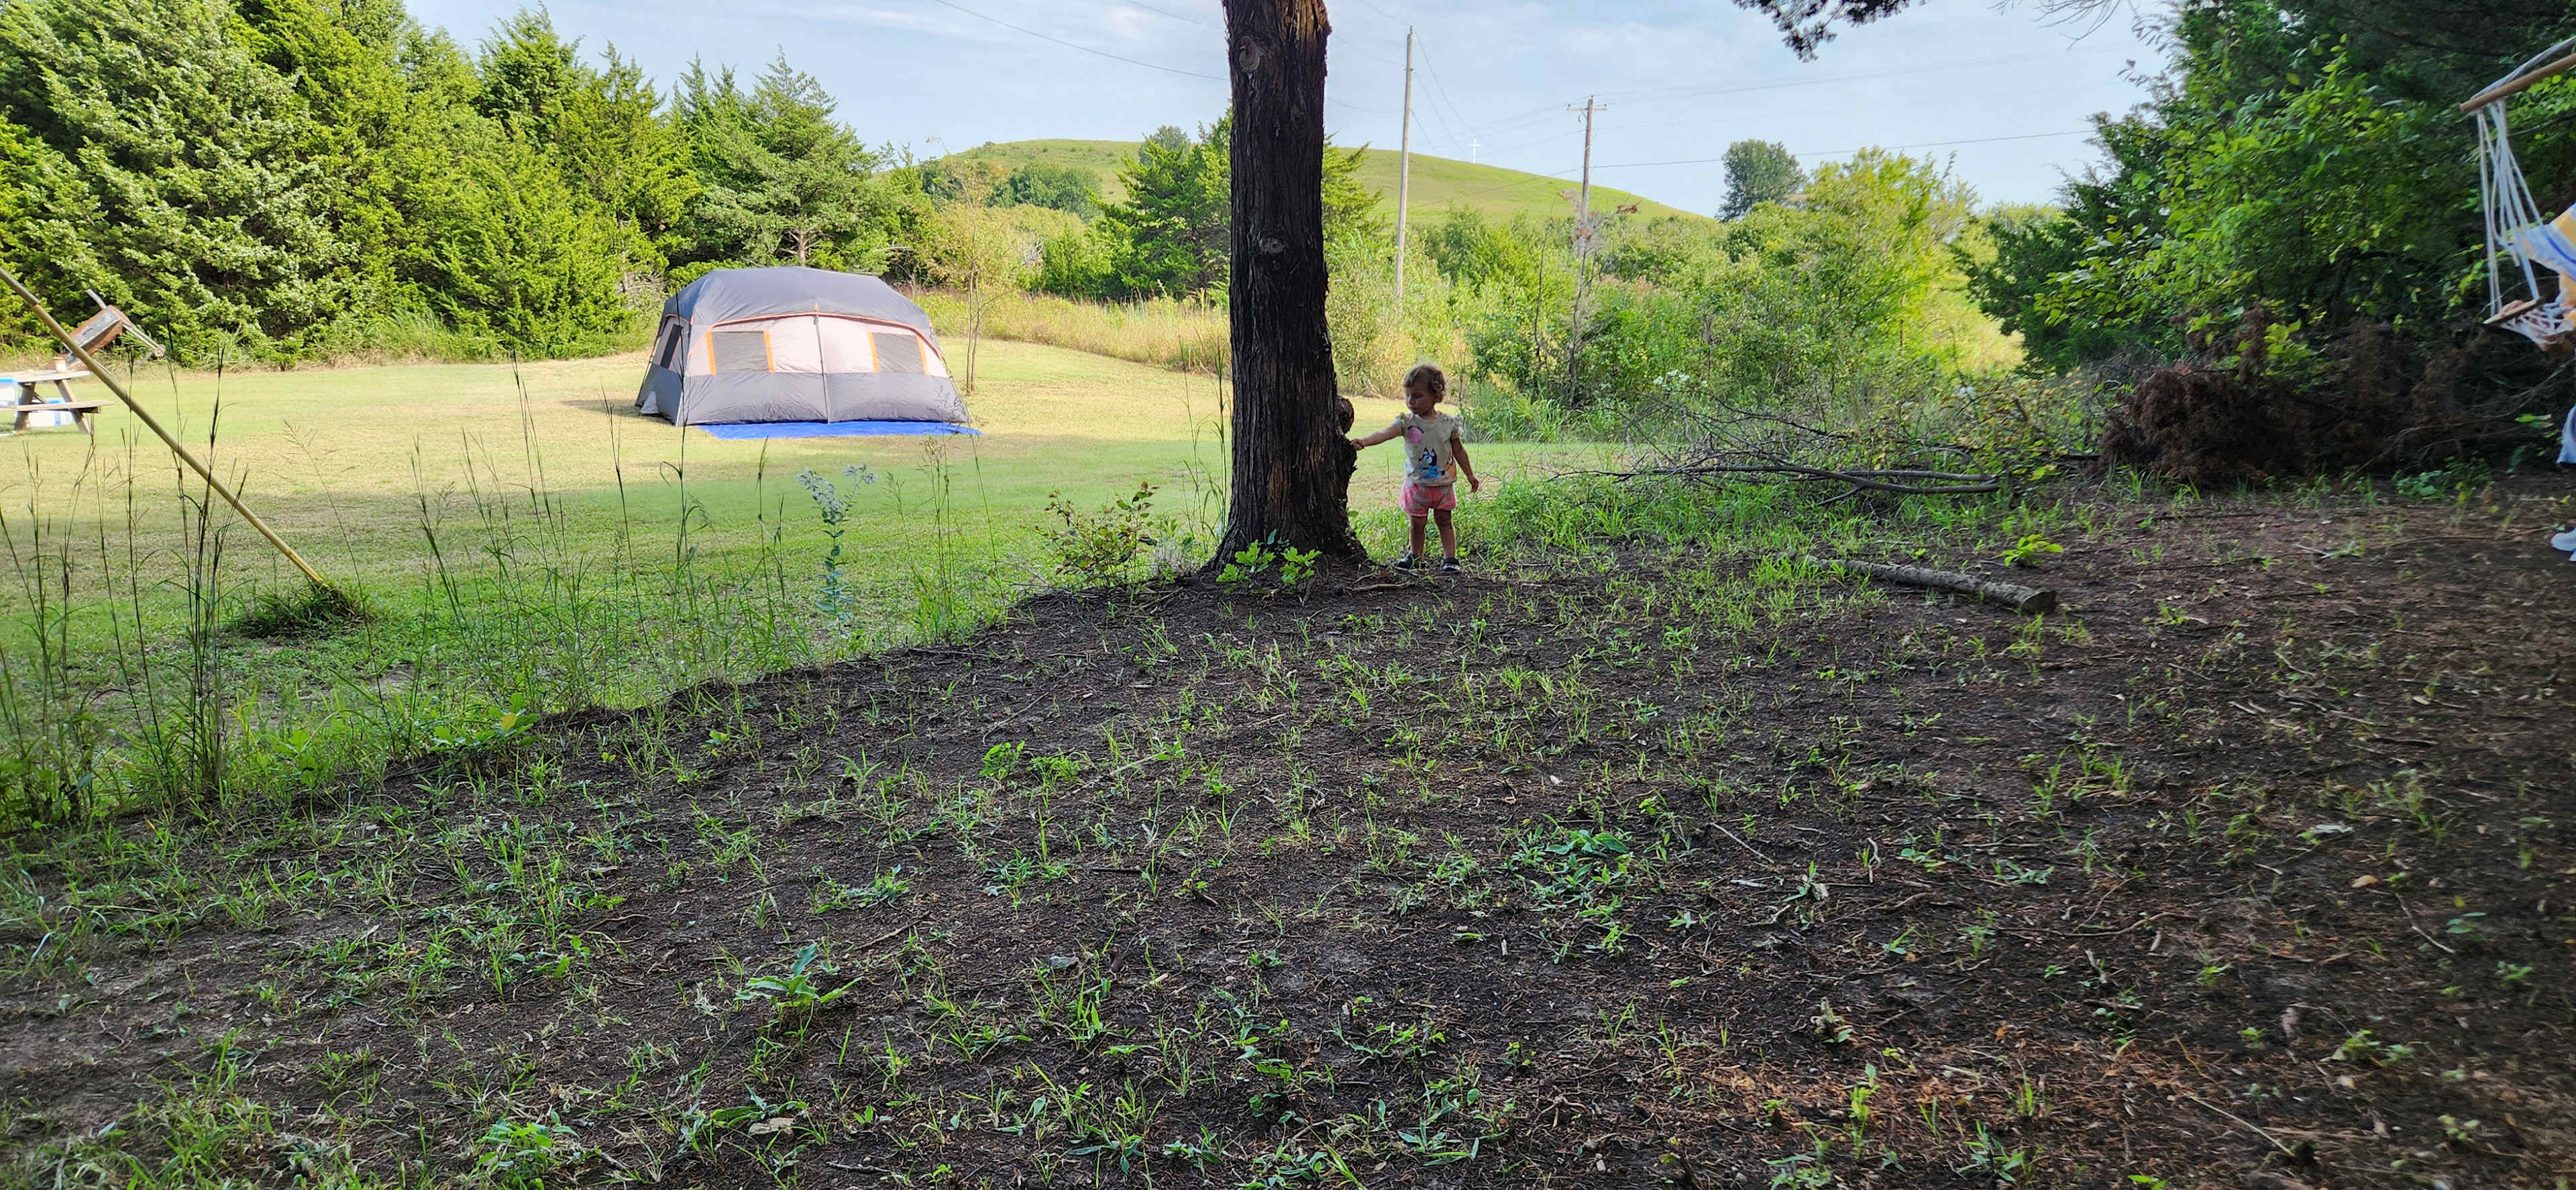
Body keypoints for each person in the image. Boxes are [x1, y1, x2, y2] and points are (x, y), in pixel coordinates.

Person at [1349, 363, 1479, 572]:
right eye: (1408, 395)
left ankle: (1451, 559)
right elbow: (1384, 433)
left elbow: (1459, 451)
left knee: (1444, 521)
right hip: (1417, 485)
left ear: (1436, 395)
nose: (1411, 401)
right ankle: (1415, 556)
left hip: (1443, 485)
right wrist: (1364, 441)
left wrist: (1470, 475)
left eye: (1417, 396)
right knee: (1417, 524)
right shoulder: (1406, 422)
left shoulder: (1448, 423)